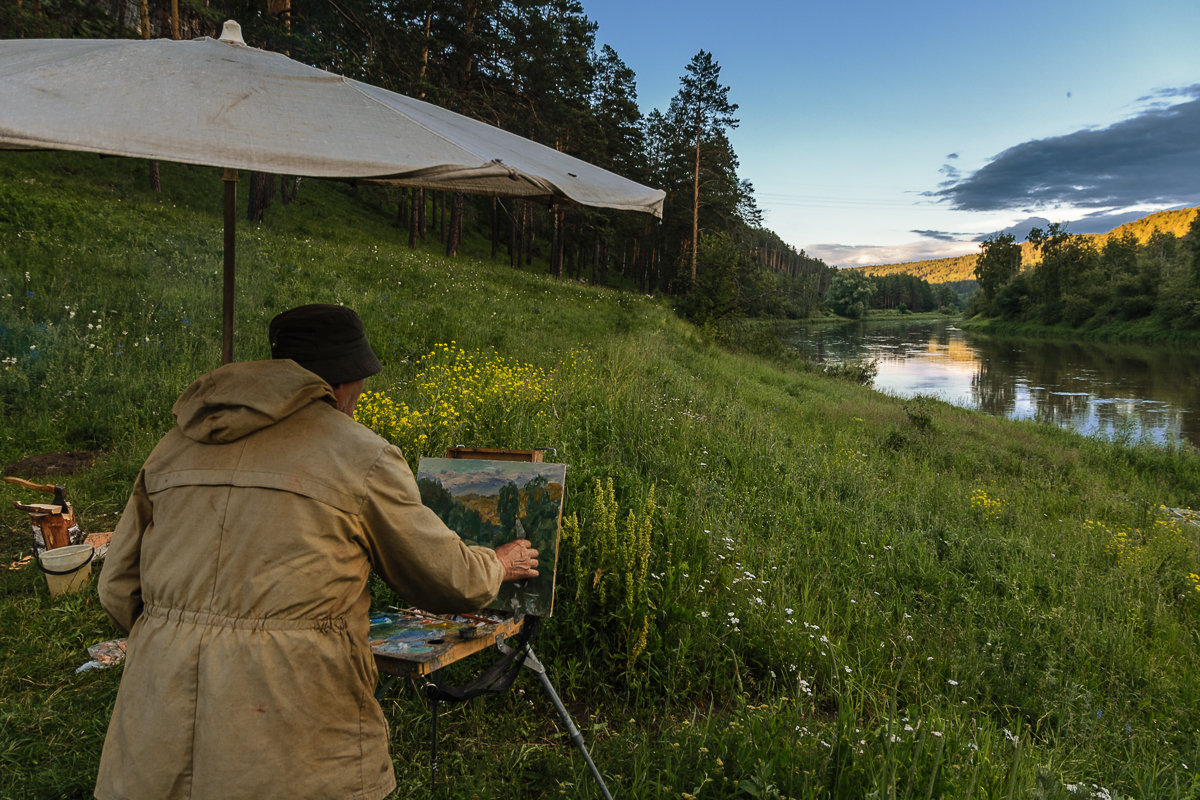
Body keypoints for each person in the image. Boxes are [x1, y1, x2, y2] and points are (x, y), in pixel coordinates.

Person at [94, 304, 538, 800]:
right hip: (291, 733)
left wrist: (182, 636)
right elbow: (449, 579)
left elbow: (116, 589)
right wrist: (498, 563)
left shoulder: (172, 447)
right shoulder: (360, 455)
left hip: (156, 728)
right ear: (343, 383)